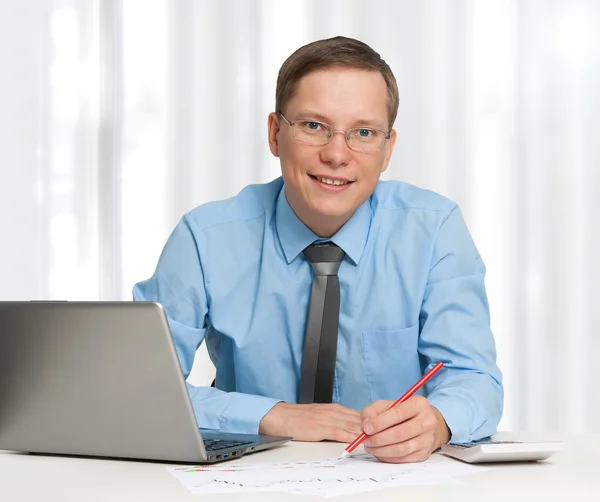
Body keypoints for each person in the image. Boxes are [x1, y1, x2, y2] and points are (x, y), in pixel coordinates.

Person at [133, 36, 503, 464]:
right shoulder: (205, 237)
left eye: (363, 133)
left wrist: (438, 421)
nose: (336, 154)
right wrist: (272, 415)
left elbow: (474, 379)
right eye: (313, 126)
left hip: (392, 482)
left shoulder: (434, 229)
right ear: (275, 134)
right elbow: (143, 389)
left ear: (388, 150)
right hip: (247, 482)